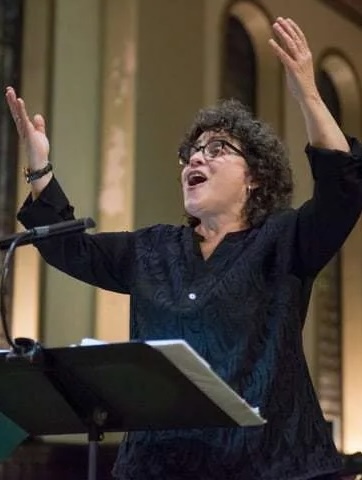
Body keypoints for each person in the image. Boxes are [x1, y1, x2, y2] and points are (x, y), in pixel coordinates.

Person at [5, 16, 360, 480]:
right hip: (159, 468)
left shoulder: (285, 240)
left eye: (217, 148)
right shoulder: (152, 249)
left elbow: (343, 189)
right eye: (192, 152)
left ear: (254, 179)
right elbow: (70, 250)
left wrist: (309, 95)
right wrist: (38, 168)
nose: (196, 156)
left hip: (265, 466)